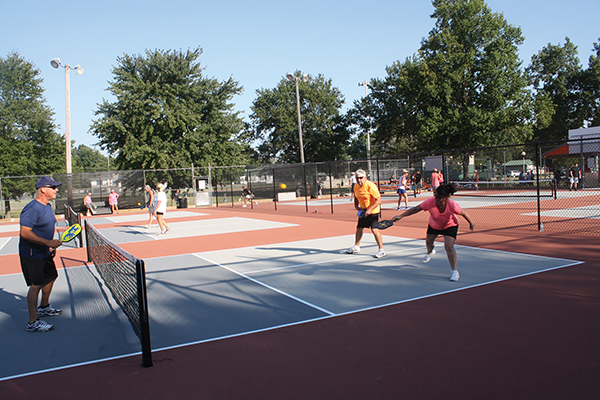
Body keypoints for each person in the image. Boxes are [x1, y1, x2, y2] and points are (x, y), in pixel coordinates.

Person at [391, 183, 474, 281]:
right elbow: (415, 209)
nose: (436, 199)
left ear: (446, 197)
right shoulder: (430, 202)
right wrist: (401, 216)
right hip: (434, 225)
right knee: (428, 242)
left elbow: (463, 213)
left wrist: (471, 223)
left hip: (450, 225)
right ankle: (430, 252)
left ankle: (454, 271)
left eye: (439, 197)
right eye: (435, 195)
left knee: (449, 247)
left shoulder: (452, 205)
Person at [20, 176, 64, 332]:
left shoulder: (48, 207)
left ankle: (44, 307)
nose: (56, 189)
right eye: (53, 187)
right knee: (36, 285)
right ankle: (32, 323)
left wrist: (50, 245)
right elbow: (25, 233)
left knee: (52, 276)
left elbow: (44, 230)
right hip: (31, 254)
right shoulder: (32, 209)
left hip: (44, 251)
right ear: (43, 189)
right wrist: (47, 243)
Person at [346, 169, 386, 259]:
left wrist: (370, 209)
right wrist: (356, 206)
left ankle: (381, 250)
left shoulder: (371, 186)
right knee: (359, 228)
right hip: (364, 210)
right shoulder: (356, 186)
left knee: (374, 230)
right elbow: (356, 197)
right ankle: (356, 246)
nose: (359, 180)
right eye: (357, 178)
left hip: (373, 211)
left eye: (361, 177)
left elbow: (378, 200)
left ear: (365, 177)